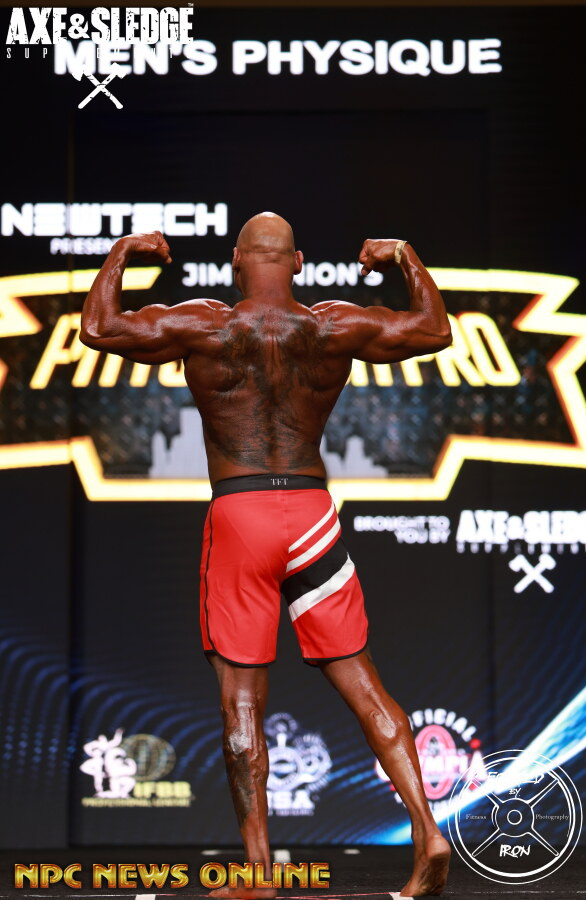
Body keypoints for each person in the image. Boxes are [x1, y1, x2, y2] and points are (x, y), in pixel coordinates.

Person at [81, 212, 453, 897]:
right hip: (311, 515)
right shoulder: (332, 326)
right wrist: (403, 253)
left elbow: (100, 327)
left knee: (241, 702)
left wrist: (125, 251)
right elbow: (433, 329)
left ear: (235, 261)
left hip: (242, 514)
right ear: (300, 262)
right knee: (363, 682)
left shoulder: (207, 324)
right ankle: (428, 831)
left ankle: (257, 874)